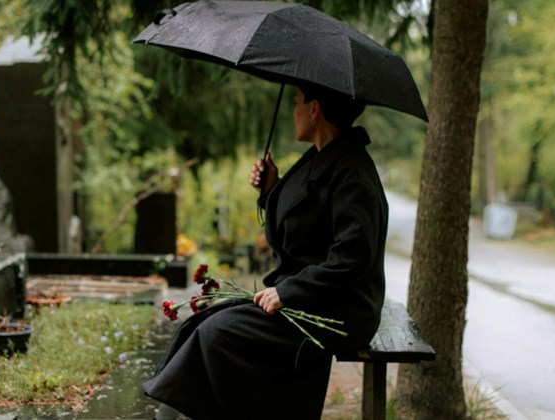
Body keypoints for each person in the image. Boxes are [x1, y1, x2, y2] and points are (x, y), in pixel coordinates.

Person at [142, 83, 388, 420]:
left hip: (339, 310)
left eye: (297, 102)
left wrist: (288, 291)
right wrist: (272, 189)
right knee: (203, 324)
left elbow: (353, 257)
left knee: (217, 335)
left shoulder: (352, 171)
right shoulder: (325, 156)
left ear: (315, 110)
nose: (293, 111)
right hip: (314, 297)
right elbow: (305, 227)